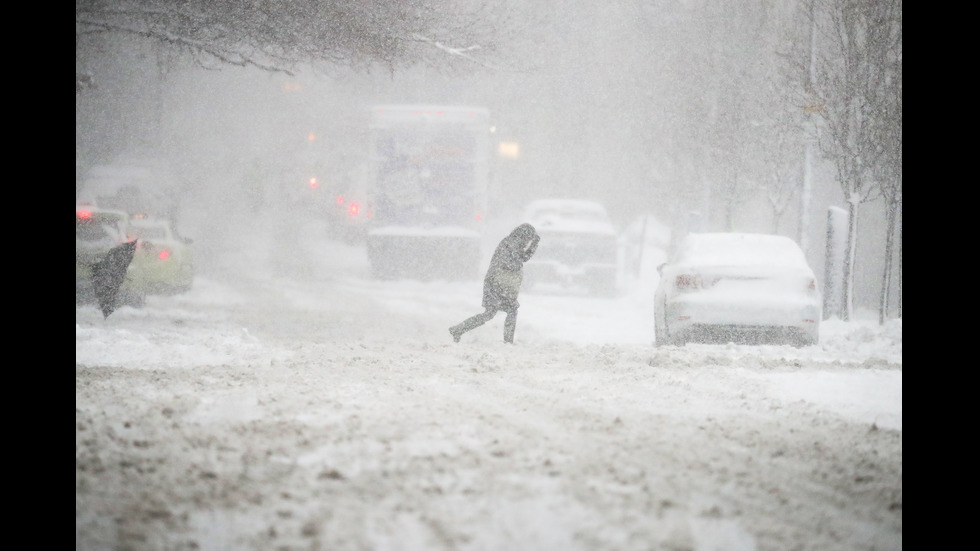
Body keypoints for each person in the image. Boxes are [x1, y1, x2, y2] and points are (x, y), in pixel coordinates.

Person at [449, 223, 541, 344]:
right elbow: (515, 262)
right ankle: (459, 330)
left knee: (501, 312)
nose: (529, 241)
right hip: (496, 285)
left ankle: (459, 329)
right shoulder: (510, 244)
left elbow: (522, 258)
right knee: (496, 312)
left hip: (501, 285)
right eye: (529, 239)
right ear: (524, 236)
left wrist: (534, 246)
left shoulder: (514, 243)